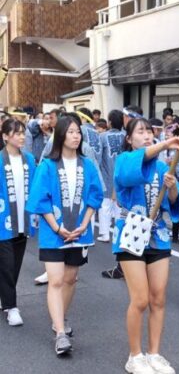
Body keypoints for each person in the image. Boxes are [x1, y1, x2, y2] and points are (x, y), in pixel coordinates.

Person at [112, 117, 179, 374]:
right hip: (131, 233)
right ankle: (135, 355)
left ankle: (154, 353)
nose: (146, 135)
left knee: (158, 298)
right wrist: (165, 143)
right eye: (140, 132)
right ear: (129, 138)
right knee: (140, 299)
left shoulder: (164, 166)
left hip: (158, 236)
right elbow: (130, 173)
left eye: (149, 132)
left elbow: (175, 203)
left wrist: (173, 188)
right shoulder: (124, 161)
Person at [26, 115, 103, 355]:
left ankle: (59, 317)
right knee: (56, 280)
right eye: (70, 131)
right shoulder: (47, 165)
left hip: (80, 232)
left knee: (71, 279)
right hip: (53, 233)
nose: (76, 135)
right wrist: (57, 227)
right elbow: (40, 199)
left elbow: (95, 196)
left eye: (78, 131)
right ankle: (60, 333)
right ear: (61, 135)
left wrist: (85, 223)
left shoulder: (87, 165)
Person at [0, 119, 37, 326]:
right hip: (2, 220)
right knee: (6, 264)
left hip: (23, 219)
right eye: (16, 133)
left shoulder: (30, 159)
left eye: (23, 132)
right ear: (5, 136)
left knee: (15, 264)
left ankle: (5, 296)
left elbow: (35, 187)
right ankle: (11, 307)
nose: (21, 136)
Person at [97, 109, 125, 242]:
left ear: (110, 122)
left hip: (106, 174)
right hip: (122, 175)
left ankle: (105, 233)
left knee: (105, 205)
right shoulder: (126, 136)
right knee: (120, 206)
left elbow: (98, 156)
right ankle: (119, 233)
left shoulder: (102, 136)